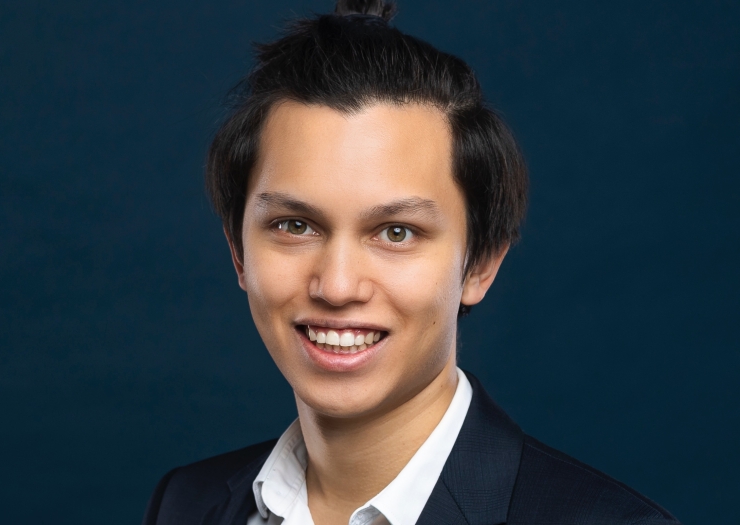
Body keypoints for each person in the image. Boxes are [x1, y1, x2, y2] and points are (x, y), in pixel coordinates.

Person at [142, 1, 681, 524]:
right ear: (238, 251)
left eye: (396, 232)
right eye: (295, 226)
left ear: (480, 264)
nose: (337, 286)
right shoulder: (185, 504)